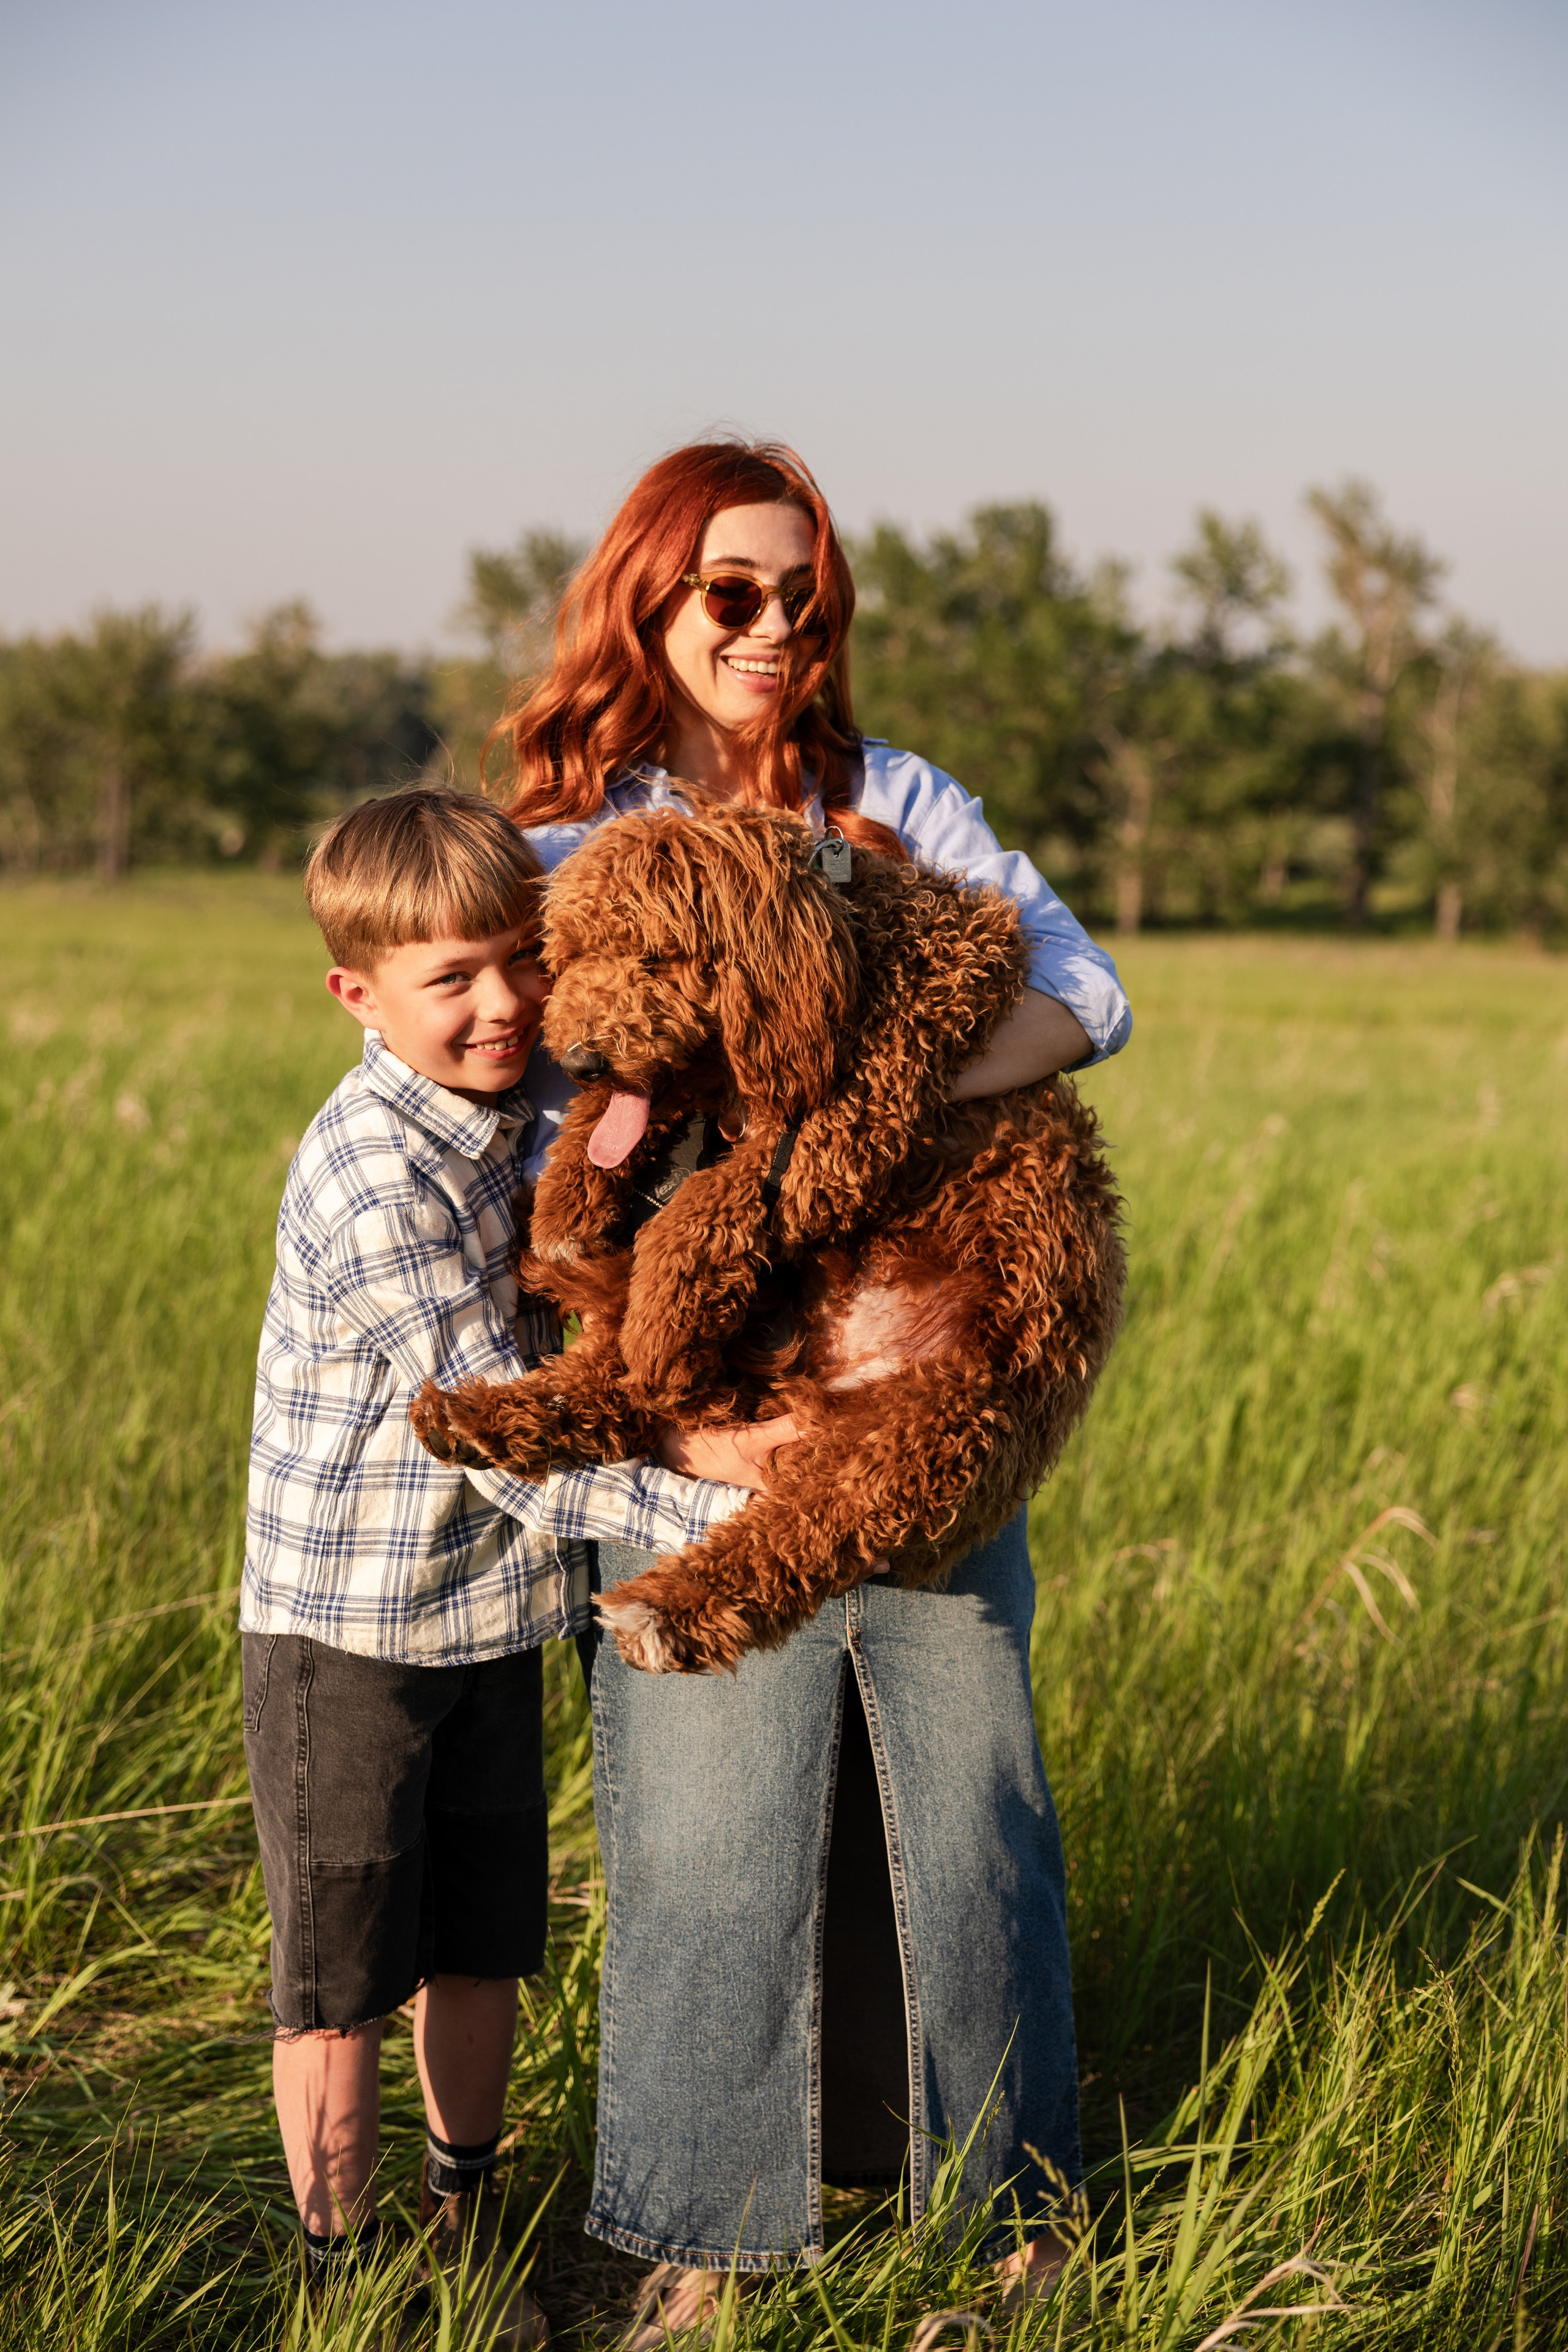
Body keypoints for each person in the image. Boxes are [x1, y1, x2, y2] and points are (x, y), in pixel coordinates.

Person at [494, 440, 1131, 2335]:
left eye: (806, 598)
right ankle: (697, 2246)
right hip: (692, 1395)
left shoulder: (893, 802)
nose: (777, 630)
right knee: (703, 1828)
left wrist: (854, 1100)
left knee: (970, 1807)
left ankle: (1012, 2236)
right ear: (648, 604)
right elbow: (503, 1097)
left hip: (920, 1375)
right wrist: (667, 1391)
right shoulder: (562, 837)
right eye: (734, 595)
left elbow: (1084, 995)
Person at [240, 788, 751, 2343]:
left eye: (521, 961)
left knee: (481, 1942)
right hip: (352, 1634)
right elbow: (500, 1436)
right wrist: (730, 1515)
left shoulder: (539, 1104)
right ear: (358, 994)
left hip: (494, 1619)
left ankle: (466, 2218)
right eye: (450, 978)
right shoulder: (374, 1173)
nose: (502, 1004)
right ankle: (345, 2272)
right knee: (341, 1976)